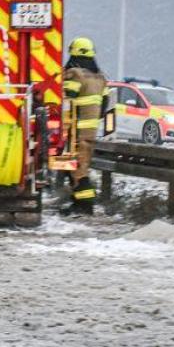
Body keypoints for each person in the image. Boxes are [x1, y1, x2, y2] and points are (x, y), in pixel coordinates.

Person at [62, 36, 110, 214]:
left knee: (77, 169)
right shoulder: (100, 78)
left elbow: (67, 100)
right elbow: (104, 105)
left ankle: (85, 206)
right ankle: (79, 202)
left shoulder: (75, 74)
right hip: (90, 131)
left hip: (76, 130)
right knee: (81, 166)